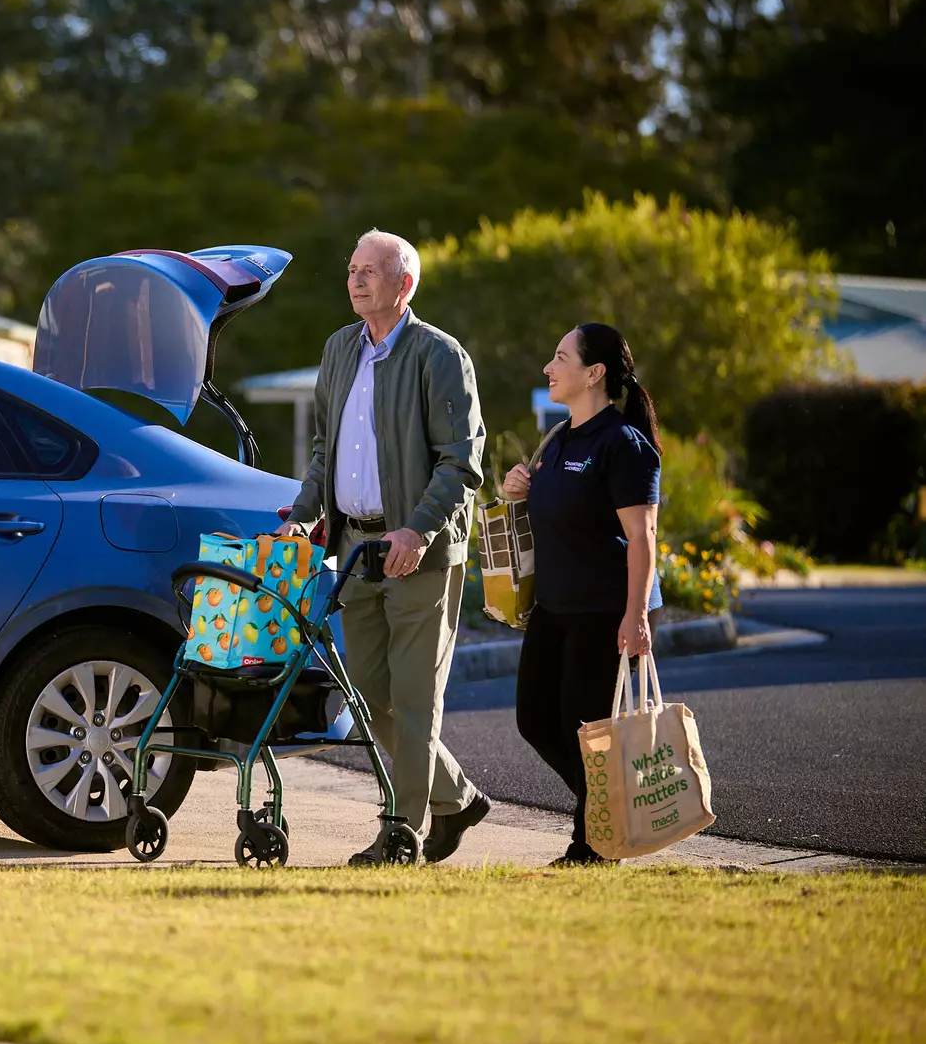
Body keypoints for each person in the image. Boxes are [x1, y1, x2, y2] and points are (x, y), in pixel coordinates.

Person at [277, 229, 490, 866]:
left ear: (406, 285)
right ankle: (456, 795)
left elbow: (463, 460)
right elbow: (324, 451)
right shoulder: (339, 350)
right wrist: (303, 515)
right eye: (351, 270)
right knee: (369, 699)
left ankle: (403, 831)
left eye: (371, 271)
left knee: (416, 697)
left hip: (418, 551)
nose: (357, 280)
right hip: (356, 551)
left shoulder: (439, 355)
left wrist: (418, 528)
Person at [500, 322, 662, 866]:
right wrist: (516, 488)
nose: (549, 367)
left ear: (594, 373)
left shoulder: (624, 445)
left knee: (588, 730)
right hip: (554, 606)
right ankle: (614, 812)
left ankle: (591, 845)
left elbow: (643, 537)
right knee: (535, 719)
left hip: (603, 610)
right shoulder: (558, 440)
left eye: (560, 357)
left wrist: (635, 615)